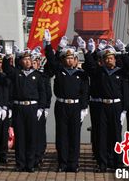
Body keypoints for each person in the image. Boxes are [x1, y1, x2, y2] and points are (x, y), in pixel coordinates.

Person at [43, 32, 89, 173]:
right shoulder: (60, 71)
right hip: (61, 105)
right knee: (62, 135)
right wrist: (49, 45)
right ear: (63, 60)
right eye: (67, 58)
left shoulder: (81, 74)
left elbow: (85, 92)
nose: (69, 61)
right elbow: (51, 60)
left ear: (76, 60)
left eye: (72, 58)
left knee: (74, 135)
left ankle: (73, 163)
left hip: (75, 106)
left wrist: (84, 108)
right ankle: (62, 163)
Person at [83, 41, 129, 173]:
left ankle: (118, 162)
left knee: (116, 135)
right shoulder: (99, 72)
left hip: (116, 106)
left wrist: (124, 110)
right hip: (102, 106)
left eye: (111, 58)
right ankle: (102, 163)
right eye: (106, 58)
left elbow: (126, 91)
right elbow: (90, 66)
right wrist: (89, 52)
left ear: (115, 59)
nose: (109, 60)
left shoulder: (121, 73)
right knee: (102, 135)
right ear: (103, 60)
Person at [3, 47, 47, 173]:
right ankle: (20, 163)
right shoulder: (17, 73)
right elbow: (6, 69)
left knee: (31, 136)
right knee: (20, 136)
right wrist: (7, 57)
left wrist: (41, 108)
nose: (27, 62)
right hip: (19, 107)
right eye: (25, 59)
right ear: (20, 61)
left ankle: (31, 163)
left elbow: (42, 92)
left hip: (32, 107)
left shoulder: (37, 75)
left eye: (29, 59)